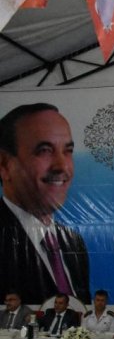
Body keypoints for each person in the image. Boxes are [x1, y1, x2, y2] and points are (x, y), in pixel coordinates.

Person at [0, 103, 90, 305]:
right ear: (4, 165)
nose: (62, 166)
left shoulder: (74, 243)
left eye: (68, 150)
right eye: (44, 150)